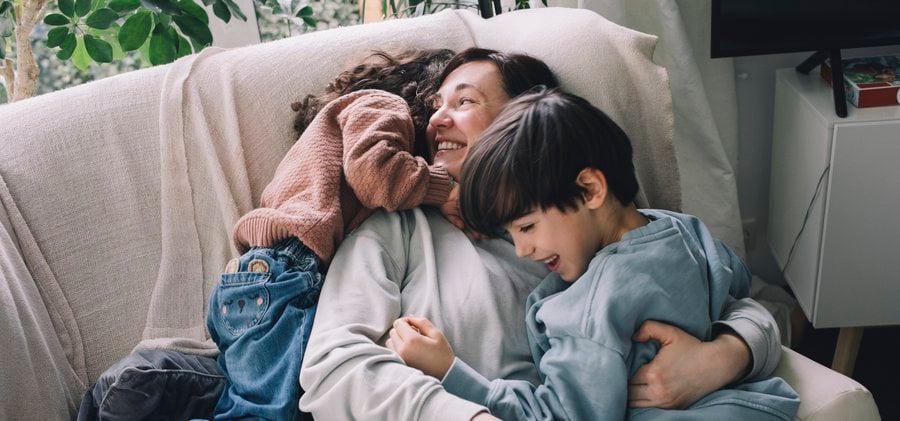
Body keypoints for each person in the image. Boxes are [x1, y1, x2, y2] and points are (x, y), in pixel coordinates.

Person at [299, 48, 784, 421]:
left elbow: (742, 302)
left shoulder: (608, 231)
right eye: (435, 107)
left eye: (464, 101)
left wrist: (727, 355)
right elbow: (332, 366)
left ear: (523, 114)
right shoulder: (396, 229)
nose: (437, 121)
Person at [204, 48, 461, 420]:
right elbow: (375, 174)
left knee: (244, 403)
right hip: (288, 274)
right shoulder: (381, 104)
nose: (443, 118)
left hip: (252, 279)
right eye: (440, 103)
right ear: (423, 93)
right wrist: (446, 188)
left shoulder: (338, 122)